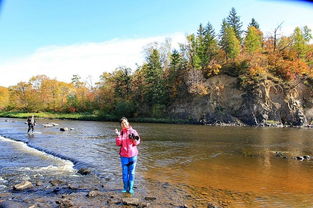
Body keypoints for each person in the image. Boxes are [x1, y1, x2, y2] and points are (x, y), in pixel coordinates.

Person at [115, 117, 140, 194]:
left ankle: (131, 188)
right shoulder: (121, 133)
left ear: (128, 123)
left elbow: (137, 142)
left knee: (131, 172)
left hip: (133, 155)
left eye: (125, 122)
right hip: (124, 156)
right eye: (122, 123)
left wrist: (133, 139)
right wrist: (118, 135)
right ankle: (125, 188)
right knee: (125, 172)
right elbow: (118, 144)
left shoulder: (133, 131)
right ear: (121, 125)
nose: (124, 124)